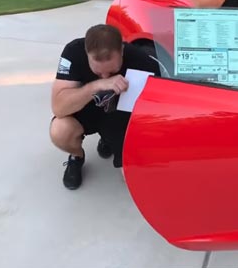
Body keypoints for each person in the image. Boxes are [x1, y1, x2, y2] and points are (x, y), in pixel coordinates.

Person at [49, 24, 160, 190]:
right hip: (85, 111)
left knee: (133, 180)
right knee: (59, 130)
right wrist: (97, 85)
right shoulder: (73, 52)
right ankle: (77, 157)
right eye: (99, 72)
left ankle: (107, 140)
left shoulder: (140, 59)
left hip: (119, 117)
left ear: (122, 51)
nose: (106, 75)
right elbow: (59, 107)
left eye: (112, 70)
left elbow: (156, 105)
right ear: (86, 54)